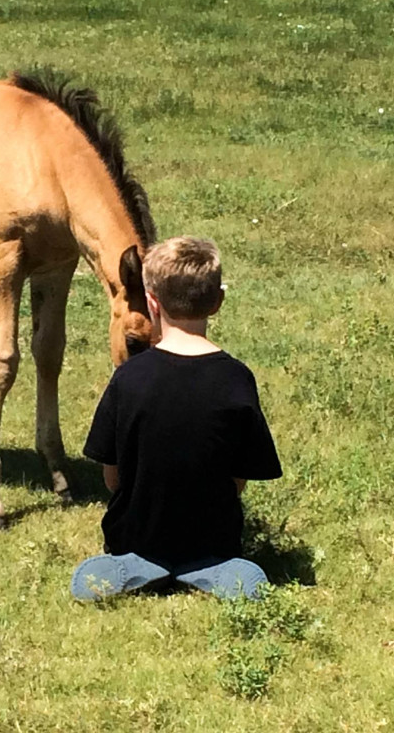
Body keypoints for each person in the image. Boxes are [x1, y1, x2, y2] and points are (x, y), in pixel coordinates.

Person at [71, 237, 282, 601]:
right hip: (212, 540)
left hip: (136, 537)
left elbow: (112, 475)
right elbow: (239, 478)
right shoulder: (236, 378)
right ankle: (207, 570)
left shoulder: (128, 378)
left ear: (152, 303)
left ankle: (139, 568)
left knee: (92, 579)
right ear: (218, 303)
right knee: (249, 581)